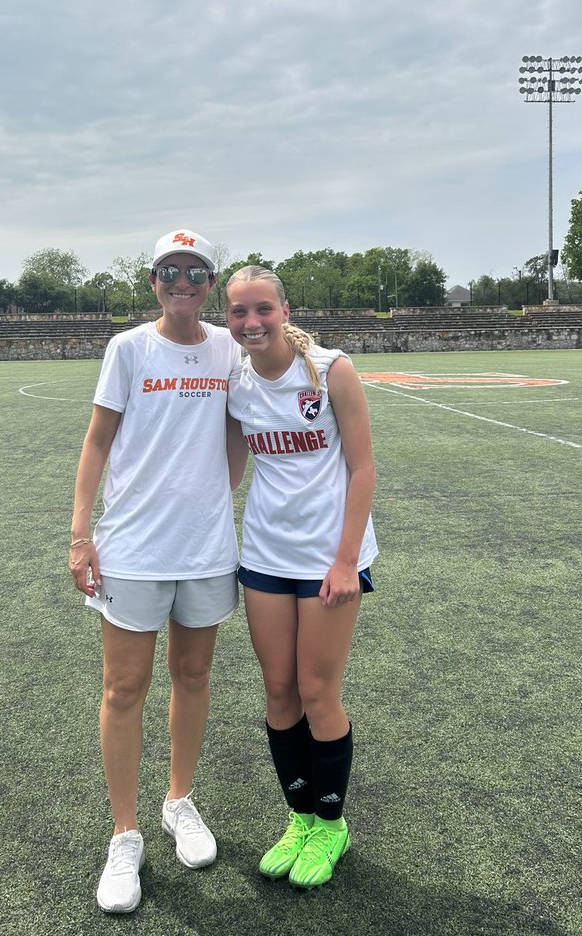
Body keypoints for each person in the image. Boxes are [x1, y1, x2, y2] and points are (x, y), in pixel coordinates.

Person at [69, 229, 243, 914]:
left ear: (210, 284)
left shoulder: (229, 347)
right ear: (153, 281)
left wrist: (215, 494)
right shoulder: (129, 348)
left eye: (195, 273)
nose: (182, 283)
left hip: (204, 547)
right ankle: (125, 834)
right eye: (169, 272)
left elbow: (237, 428)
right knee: (123, 688)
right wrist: (80, 534)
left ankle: (178, 802)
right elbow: (96, 440)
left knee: (193, 675)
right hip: (135, 549)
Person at [224, 265, 378, 889]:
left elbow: (363, 467)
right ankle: (299, 818)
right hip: (264, 555)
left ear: (285, 310)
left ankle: (332, 824)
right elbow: (229, 468)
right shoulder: (233, 381)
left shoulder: (331, 368)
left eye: (263, 309)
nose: (252, 322)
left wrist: (346, 561)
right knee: (279, 690)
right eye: (238, 312)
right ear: (228, 318)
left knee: (318, 693)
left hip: (328, 560)